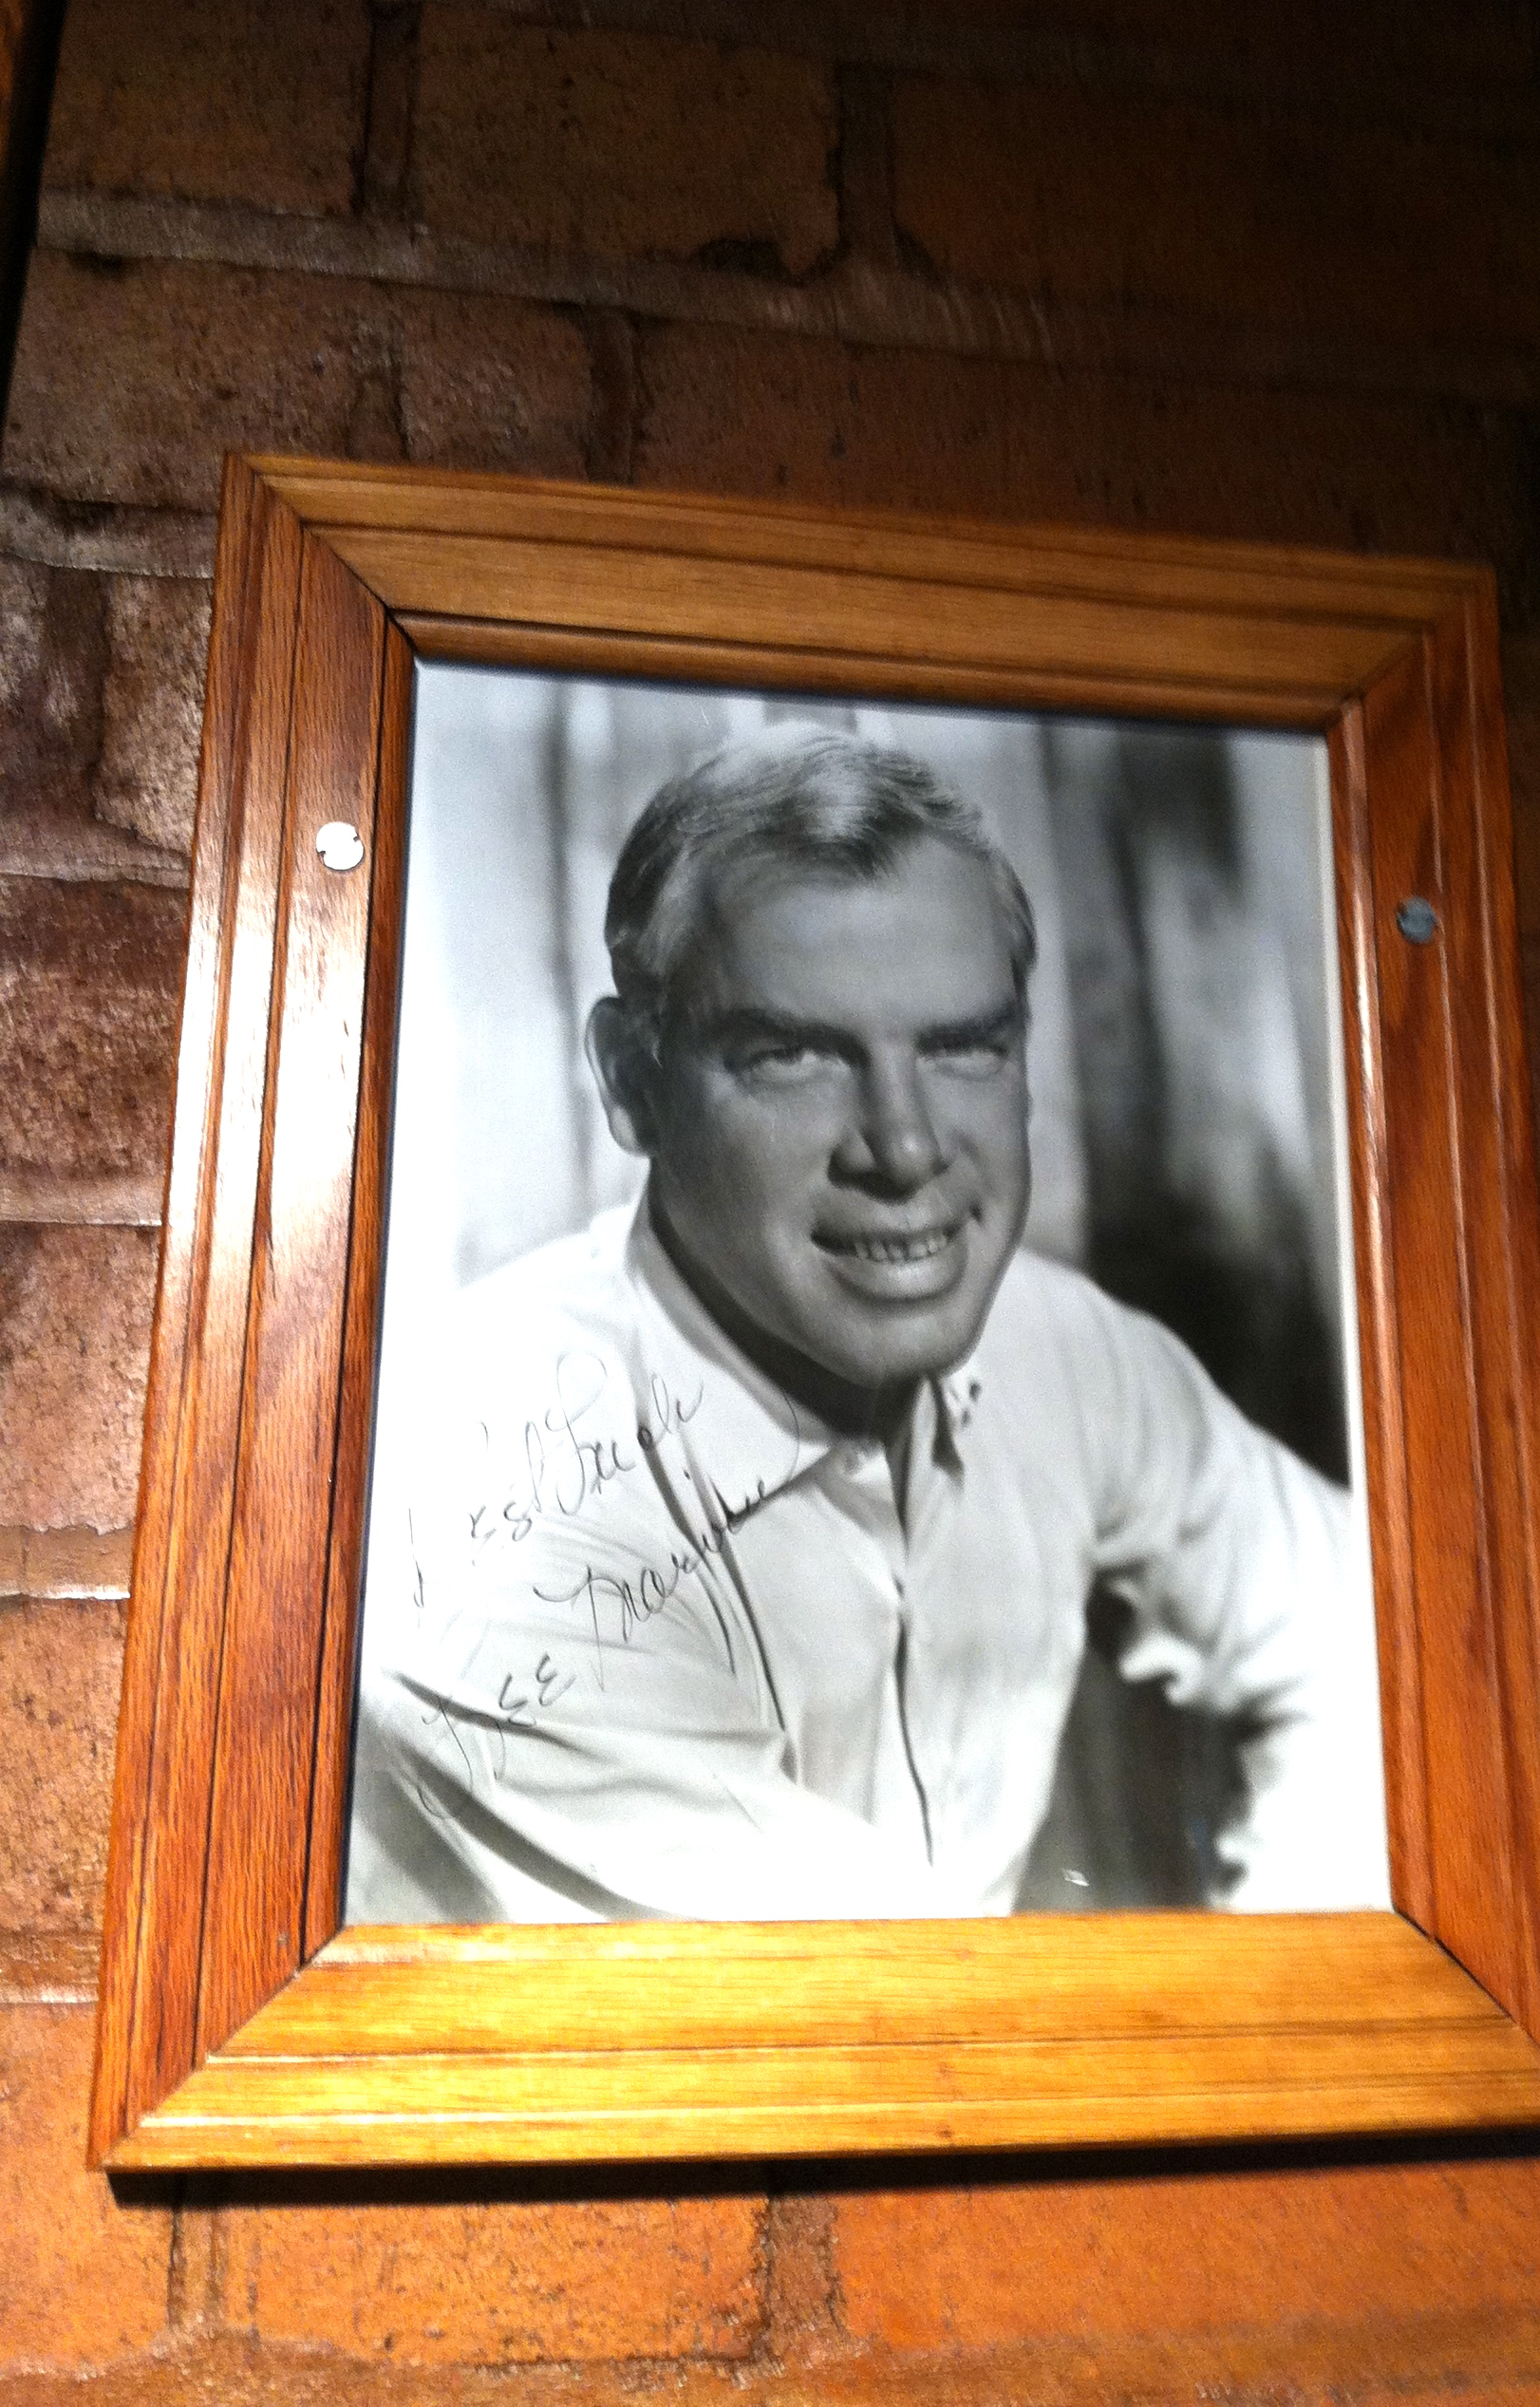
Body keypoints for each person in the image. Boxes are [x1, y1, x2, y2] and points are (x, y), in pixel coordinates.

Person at [346, 725, 1389, 1923]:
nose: (903, 1148)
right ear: (633, 1082)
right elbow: (887, 2013)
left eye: (963, 1047)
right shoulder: (483, 1495)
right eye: (791, 1055)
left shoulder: (1061, 1351)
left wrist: (1306, 1964)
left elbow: (1367, 1638)